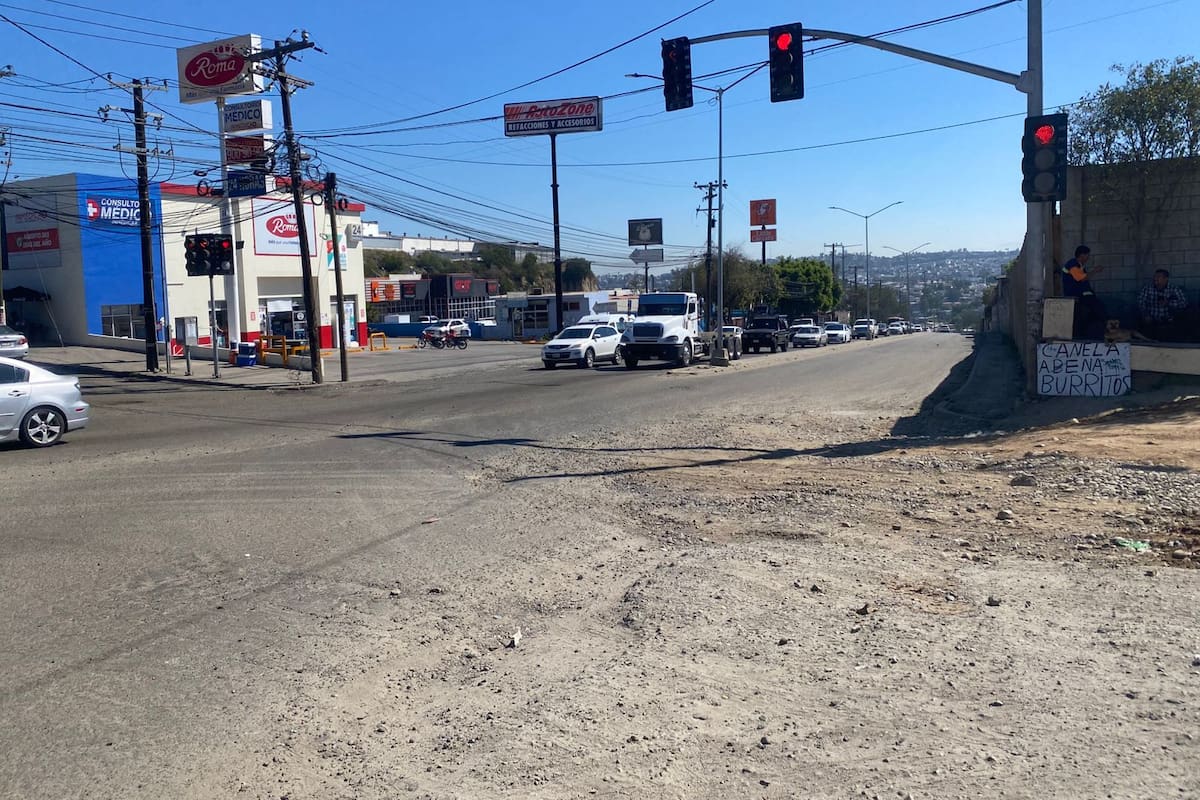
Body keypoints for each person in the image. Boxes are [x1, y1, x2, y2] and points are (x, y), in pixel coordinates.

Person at [1061, 245, 1106, 339]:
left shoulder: (1079, 266)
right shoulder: (1073, 265)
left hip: (1081, 295)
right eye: (1087, 255)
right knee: (1092, 311)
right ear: (1081, 255)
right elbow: (1082, 278)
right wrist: (1095, 271)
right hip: (1075, 296)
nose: (1088, 258)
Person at [1137, 268, 1188, 341]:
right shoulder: (1147, 288)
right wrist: (1145, 314)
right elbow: (1140, 302)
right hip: (1151, 320)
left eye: (1158, 277)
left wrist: (1168, 303)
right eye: (1155, 276)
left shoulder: (1174, 289)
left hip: (1169, 320)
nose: (1155, 279)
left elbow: (1184, 303)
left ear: (1166, 279)